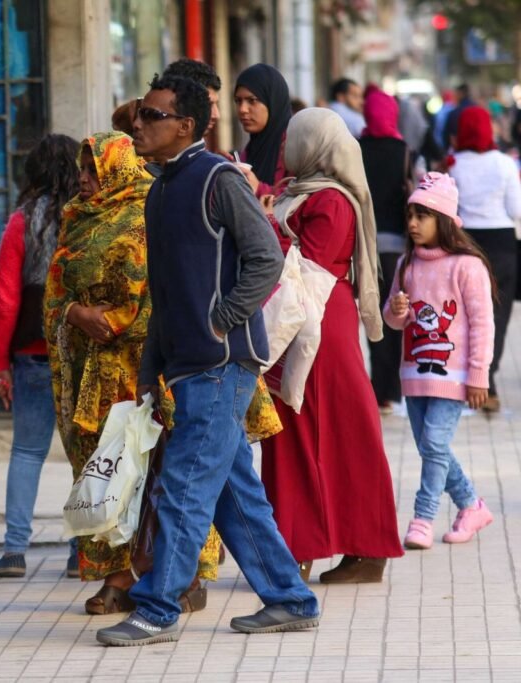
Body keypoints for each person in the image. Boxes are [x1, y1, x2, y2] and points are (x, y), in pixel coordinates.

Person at [95, 74, 319, 647]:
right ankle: (291, 598)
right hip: (186, 367)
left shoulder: (217, 178)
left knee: (184, 488)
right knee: (230, 492)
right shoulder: (160, 188)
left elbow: (266, 257)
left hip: (223, 365)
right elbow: (164, 292)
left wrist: (222, 318)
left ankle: (157, 609)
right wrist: (150, 369)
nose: (138, 124)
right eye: (141, 115)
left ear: (185, 126)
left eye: (151, 116)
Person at [43, 132, 219, 616]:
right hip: (92, 378)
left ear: (116, 168)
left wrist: (116, 321)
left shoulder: (150, 209)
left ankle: (173, 576)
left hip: (144, 372)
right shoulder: (76, 220)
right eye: (82, 168)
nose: (82, 178)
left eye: (92, 169)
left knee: (157, 473)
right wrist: (76, 313)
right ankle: (121, 574)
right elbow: (55, 292)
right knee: (107, 474)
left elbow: (164, 288)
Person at [260, 108, 404, 584]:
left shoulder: (331, 201)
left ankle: (309, 549)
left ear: (314, 145)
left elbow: (307, 269)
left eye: (292, 140)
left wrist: (262, 230)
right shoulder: (300, 192)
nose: (284, 148)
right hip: (310, 323)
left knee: (310, 434)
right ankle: (348, 547)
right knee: (329, 434)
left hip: (317, 327)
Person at [0, 134, 81, 578]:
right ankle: (84, 550)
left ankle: (14, 551)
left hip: (33, 357)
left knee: (26, 452)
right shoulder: (91, 218)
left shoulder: (22, 221)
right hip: (81, 356)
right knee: (87, 454)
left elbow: (4, 301)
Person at [383, 173, 496, 549]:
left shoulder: (467, 266)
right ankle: (471, 505)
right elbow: (393, 319)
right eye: (410, 215)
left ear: (443, 220)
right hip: (414, 372)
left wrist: (479, 375)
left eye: (423, 215)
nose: (413, 223)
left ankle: (423, 517)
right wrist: (396, 310)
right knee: (431, 447)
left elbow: (482, 323)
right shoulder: (406, 264)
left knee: (433, 443)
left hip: (454, 374)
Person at [449, 106, 521, 412]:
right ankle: (487, 382)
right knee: (498, 318)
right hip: (503, 245)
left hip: (466, 246)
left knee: (466, 317)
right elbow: (517, 210)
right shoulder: (504, 163)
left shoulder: (453, 165)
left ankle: (467, 378)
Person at [360, 89, 411, 413]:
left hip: (366, 245)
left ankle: (378, 390)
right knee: (396, 312)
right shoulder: (403, 149)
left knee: (373, 314)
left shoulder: (357, 148)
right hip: (397, 246)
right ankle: (393, 389)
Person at [234, 64, 293, 197]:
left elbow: (303, 198)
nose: (242, 109)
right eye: (238, 101)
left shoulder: (294, 147)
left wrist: (260, 188)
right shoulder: (250, 150)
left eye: (252, 100)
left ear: (272, 101)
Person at [442, 84, 475, 151]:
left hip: (460, 150)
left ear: (460, 94)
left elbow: (448, 135)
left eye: (455, 94)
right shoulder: (478, 109)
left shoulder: (455, 112)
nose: (454, 96)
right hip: (478, 151)